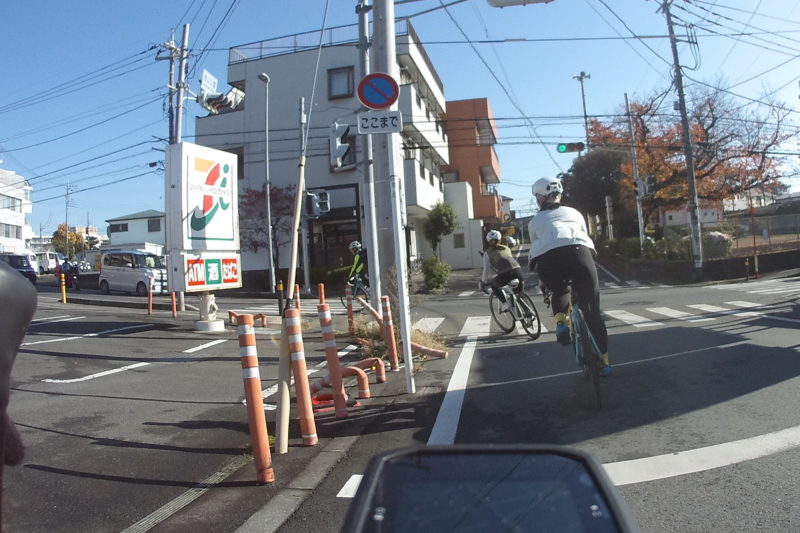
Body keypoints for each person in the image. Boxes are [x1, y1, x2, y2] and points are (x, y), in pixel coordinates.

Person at [527, 177, 611, 376]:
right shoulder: (575, 213)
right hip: (579, 253)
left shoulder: (534, 222)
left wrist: (543, 281)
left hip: (549, 260)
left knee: (559, 289)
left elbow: (536, 251)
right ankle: (605, 363)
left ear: (540, 198)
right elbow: (585, 237)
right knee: (593, 313)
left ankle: (561, 323)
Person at [480, 230, 524, 317]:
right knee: (518, 293)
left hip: (505, 274)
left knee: (494, 285)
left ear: (488, 242)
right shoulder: (506, 248)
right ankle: (527, 310)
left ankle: (505, 303)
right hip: (518, 270)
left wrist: (483, 282)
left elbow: (486, 269)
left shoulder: (487, 253)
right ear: (500, 240)